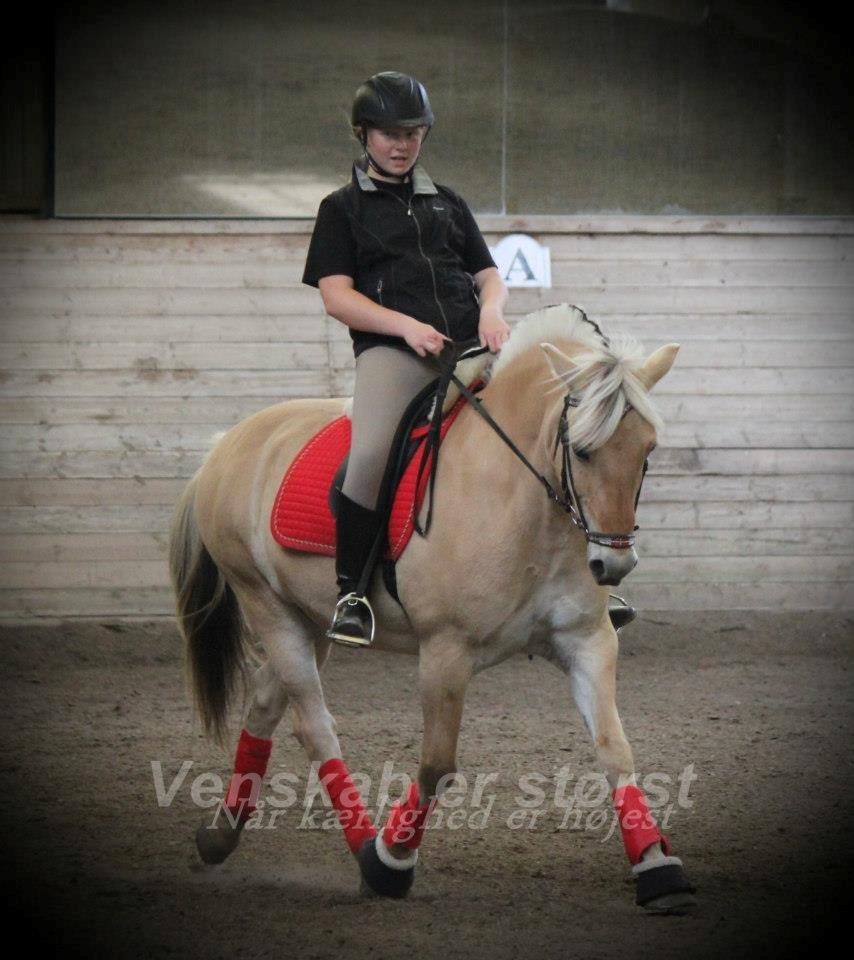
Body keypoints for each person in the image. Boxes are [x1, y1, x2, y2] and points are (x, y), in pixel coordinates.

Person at [302, 71, 510, 648]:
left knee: (546, 423)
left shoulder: (448, 202)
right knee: (368, 454)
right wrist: (405, 327)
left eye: (412, 134)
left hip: (471, 347)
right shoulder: (340, 209)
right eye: (389, 134)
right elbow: (336, 296)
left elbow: (488, 275)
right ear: (363, 135)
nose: (401, 145)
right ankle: (351, 593)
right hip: (396, 355)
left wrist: (492, 311)